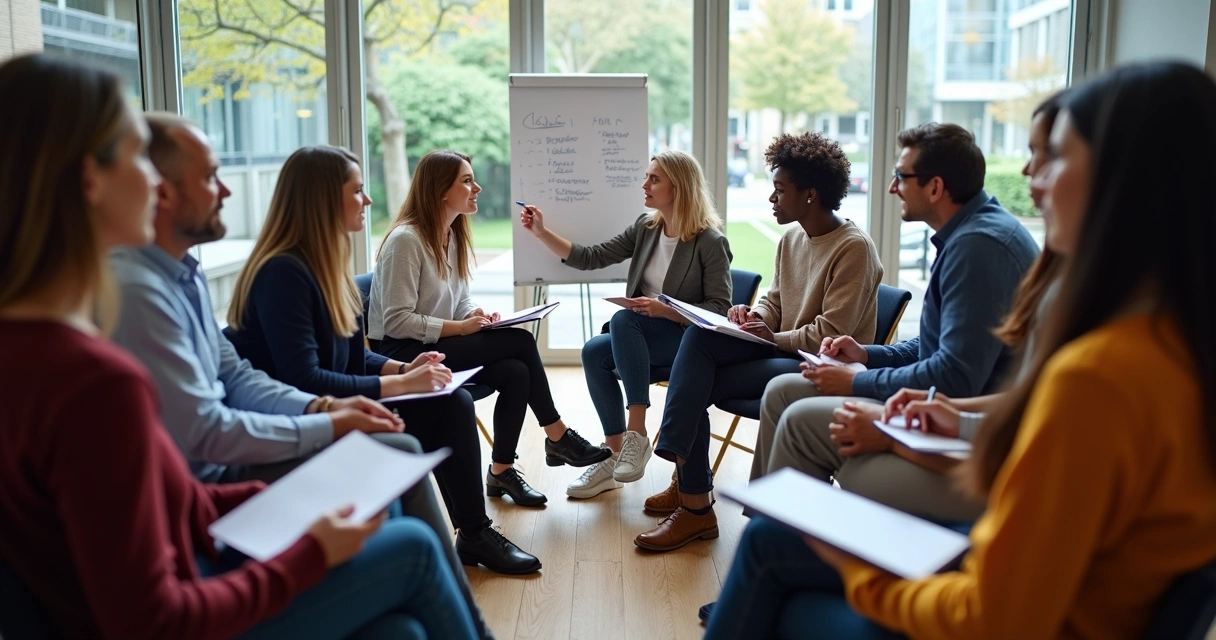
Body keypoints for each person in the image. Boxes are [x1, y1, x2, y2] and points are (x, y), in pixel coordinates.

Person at [704, 61, 1216, 640]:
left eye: (1056, 156)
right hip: (1052, 581)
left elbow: (995, 615)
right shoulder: (1167, 341)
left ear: (1124, 179)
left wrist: (861, 573)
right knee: (777, 538)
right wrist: (881, 368)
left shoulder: (1097, 371)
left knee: (776, 565)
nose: (1031, 176)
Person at [0, 53, 476, 640]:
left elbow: (176, 490)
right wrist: (307, 547)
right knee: (409, 548)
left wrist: (315, 445)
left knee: (400, 629)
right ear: (88, 180)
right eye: (135, 158)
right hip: (184, 593)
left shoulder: (80, 332)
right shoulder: (97, 375)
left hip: (196, 538)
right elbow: (153, 612)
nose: (154, 181)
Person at [107, 114, 490, 637]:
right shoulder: (258, 275)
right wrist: (332, 418)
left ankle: (464, 539)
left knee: (402, 625)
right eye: (209, 177)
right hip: (220, 475)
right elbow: (226, 418)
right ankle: (466, 558)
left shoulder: (187, 276)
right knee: (406, 462)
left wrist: (347, 401)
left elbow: (236, 374)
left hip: (224, 471)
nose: (225, 190)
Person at [223, 145, 540, 575]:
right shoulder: (283, 273)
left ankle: (472, 534)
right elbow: (306, 379)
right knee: (456, 401)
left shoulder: (328, 267)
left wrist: (401, 369)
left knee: (454, 401)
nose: (368, 201)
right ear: (322, 199)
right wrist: (400, 384)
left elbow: (356, 358)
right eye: (357, 191)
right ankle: (474, 532)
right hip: (305, 420)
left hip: (340, 405)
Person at [749, 123, 1041, 498]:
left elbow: (954, 377)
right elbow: (934, 346)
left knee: (799, 419)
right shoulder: (969, 235)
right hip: (946, 403)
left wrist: (856, 381)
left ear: (935, 187)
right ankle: (768, 525)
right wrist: (867, 355)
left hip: (968, 424)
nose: (892, 188)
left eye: (901, 177)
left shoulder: (978, 248)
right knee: (781, 390)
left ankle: (780, 539)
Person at [635, 132, 884, 552]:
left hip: (816, 365)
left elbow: (829, 335)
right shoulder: (791, 238)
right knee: (700, 337)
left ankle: (693, 499)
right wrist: (752, 316)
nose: (771, 197)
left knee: (694, 383)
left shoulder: (853, 248)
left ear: (809, 195)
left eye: (780, 189)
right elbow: (774, 300)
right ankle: (689, 488)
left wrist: (773, 335)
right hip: (779, 346)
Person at [369, 149, 609, 507]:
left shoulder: (450, 234)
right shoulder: (406, 241)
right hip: (402, 353)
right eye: (467, 181)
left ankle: (500, 471)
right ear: (440, 191)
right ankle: (556, 435)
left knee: (514, 371)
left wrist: (475, 314)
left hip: (435, 343)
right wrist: (462, 329)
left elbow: (458, 297)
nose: (477, 187)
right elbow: (396, 321)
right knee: (520, 342)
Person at [519, 150, 732, 498]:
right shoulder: (646, 228)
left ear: (677, 187)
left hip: (685, 341)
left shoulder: (709, 242)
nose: (644, 184)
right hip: (639, 334)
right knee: (594, 352)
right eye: (647, 176)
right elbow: (591, 257)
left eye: (654, 179)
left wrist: (664, 310)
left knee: (623, 320)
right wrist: (542, 233)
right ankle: (616, 454)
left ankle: (637, 433)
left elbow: (719, 309)